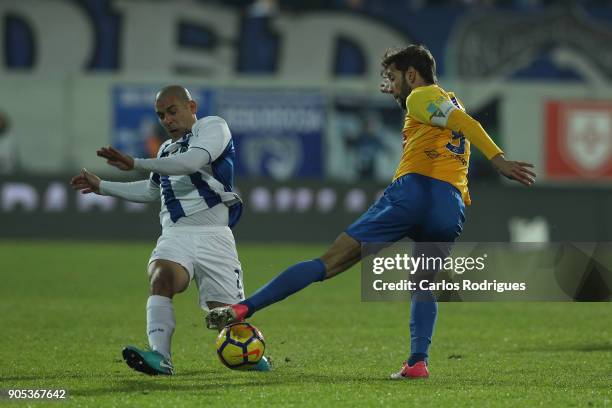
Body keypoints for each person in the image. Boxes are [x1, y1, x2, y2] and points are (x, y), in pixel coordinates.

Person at [205, 45, 536, 379]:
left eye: (392, 78)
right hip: (450, 205)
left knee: (327, 263)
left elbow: (464, 120)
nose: (390, 85)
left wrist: (498, 160)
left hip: (412, 193)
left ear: (411, 75)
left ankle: (242, 308)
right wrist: (397, 89)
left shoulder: (419, 97)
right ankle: (418, 362)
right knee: (424, 284)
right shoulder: (446, 98)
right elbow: (454, 117)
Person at [70, 85, 270, 375]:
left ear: (192, 106)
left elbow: (192, 162)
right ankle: (160, 357)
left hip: (215, 236)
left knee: (228, 318)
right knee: (161, 277)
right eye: (161, 115)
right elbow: (153, 191)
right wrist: (104, 186)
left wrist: (136, 162)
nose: (166, 120)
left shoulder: (214, 127)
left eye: (172, 111)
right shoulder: (166, 150)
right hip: (176, 235)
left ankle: (253, 358)